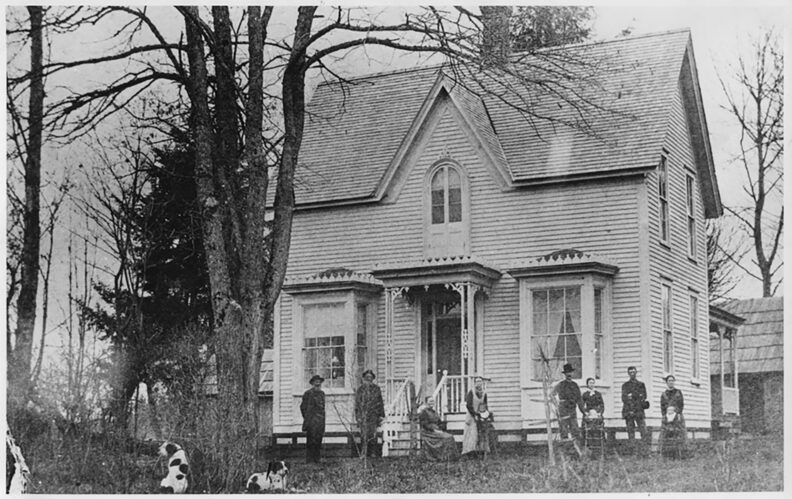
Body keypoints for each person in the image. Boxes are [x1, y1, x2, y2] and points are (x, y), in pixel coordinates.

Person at [354, 369, 385, 458]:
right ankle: (364, 453)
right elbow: (357, 404)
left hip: (373, 415)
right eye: (367, 377)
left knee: (373, 435)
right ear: (364, 378)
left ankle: (373, 453)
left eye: (370, 377)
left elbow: (380, 402)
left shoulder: (376, 389)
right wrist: (358, 416)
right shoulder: (360, 390)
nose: (369, 379)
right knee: (364, 435)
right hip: (363, 415)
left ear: (373, 379)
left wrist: (381, 415)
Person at [418, 397, 460, 462]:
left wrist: (442, 426)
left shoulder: (434, 412)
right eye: (430, 401)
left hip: (436, 430)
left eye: (433, 401)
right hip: (428, 432)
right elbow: (425, 424)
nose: (432, 403)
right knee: (447, 438)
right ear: (426, 403)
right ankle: (442, 457)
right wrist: (434, 430)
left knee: (450, 436)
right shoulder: (424, 412)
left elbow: (439, 422)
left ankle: (450, 457)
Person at [462, 376, 494, 458]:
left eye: (480, 381)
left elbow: (485, 405)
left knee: (481, 433)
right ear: (475, 383)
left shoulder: (484, 393)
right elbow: (468, 405)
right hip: (472, 415)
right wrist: (474, 415)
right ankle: (469, 452)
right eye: (477, 381)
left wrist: (485, 414)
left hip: (480, 415)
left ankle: (480, 451)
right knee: (472, 434)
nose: (479, 383)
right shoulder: (471, 392)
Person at [621, 366, 650, 452]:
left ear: (636, 373)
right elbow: (624, 398)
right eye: (630, 372)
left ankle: (645, 450)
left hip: (639, 410)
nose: (632, 374)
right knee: (630, 431)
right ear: (628, 373)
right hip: (629, 410)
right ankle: (632, 450)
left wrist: (632, 395)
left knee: (643, 431)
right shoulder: (625, 385)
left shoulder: (641, 384)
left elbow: (644, 396)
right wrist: (636, 396)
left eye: (633, 372)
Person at [660, 374, 687, 459]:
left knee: (679, 434)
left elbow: (681, 405)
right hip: (667, 417)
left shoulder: (678, 392)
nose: (671, 382)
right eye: (669, 381)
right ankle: (667, 455)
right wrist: (666, 416)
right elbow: (662, 407)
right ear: (666, 382)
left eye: (672, 381)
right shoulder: (664, 394)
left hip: (677, 416)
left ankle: (680, 454)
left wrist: (677, 413)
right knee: (666, 434)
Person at [553, 363, 583, 441]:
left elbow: (579, 399)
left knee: (575, 429)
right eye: (567, 372)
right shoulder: (561, 384)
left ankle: (576, 448)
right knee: (564, 430)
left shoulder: (575, 385)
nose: (569, 374)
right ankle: (565, 449)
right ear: (565, 374)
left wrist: (583, 411)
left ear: (572, 373)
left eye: (570, 372)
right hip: (563, 409)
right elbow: (551, 394)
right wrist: (556, 403)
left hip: (572, 409)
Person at [300, 374, 326, 463]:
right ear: (312, 383)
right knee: (311, 440)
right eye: (316, 381)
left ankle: (317, 459)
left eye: (319, 382)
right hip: (311, 421)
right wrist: (308, 417)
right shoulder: (308, 394)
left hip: (320, 421)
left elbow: (323, 408)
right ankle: (309, 460)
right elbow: (303, 407)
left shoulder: (322, 394)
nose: (318, 383)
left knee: (319, 439)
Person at [581, 377, 605, 455]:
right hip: (589, 414)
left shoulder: (598, 394)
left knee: (599, 428)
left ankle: (598, 448)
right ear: (587, 384)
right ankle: (588, 448)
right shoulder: (585, 394)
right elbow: (582, 405)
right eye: (590, 383)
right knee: (587, 429)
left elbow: (602, 405)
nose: (592, 384)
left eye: (593, 383)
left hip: (597, 414)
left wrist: (599, 413)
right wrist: (586, 413)